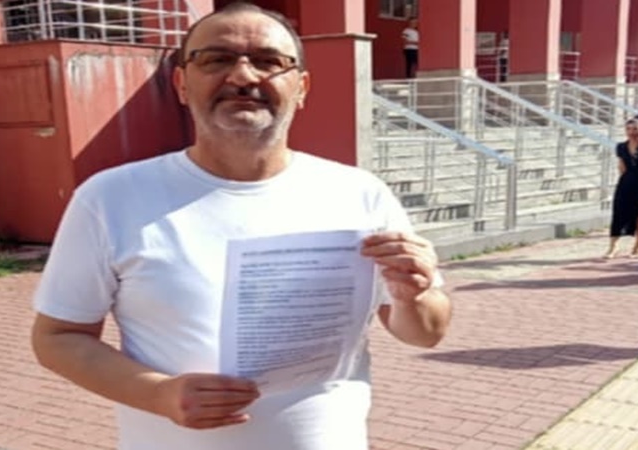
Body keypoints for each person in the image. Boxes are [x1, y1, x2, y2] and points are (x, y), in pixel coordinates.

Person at [30, 3, 452, 450]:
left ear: (301, 87)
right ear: (181, 84)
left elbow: (425, 333)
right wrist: (159, 394)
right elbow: (58, 337)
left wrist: (414, 295)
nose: (243, 76)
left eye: (269, 61)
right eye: (216, 59)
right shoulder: (111, 197)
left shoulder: (359, 193)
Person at [604, 118, 638, 259]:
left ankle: (637, 248)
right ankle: (613, 246)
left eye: (635, 129)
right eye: (628, 129)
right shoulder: (621, 147)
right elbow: (621, 166)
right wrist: (623, 180)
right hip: (627, 182)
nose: (632, 132)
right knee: (618, 213)